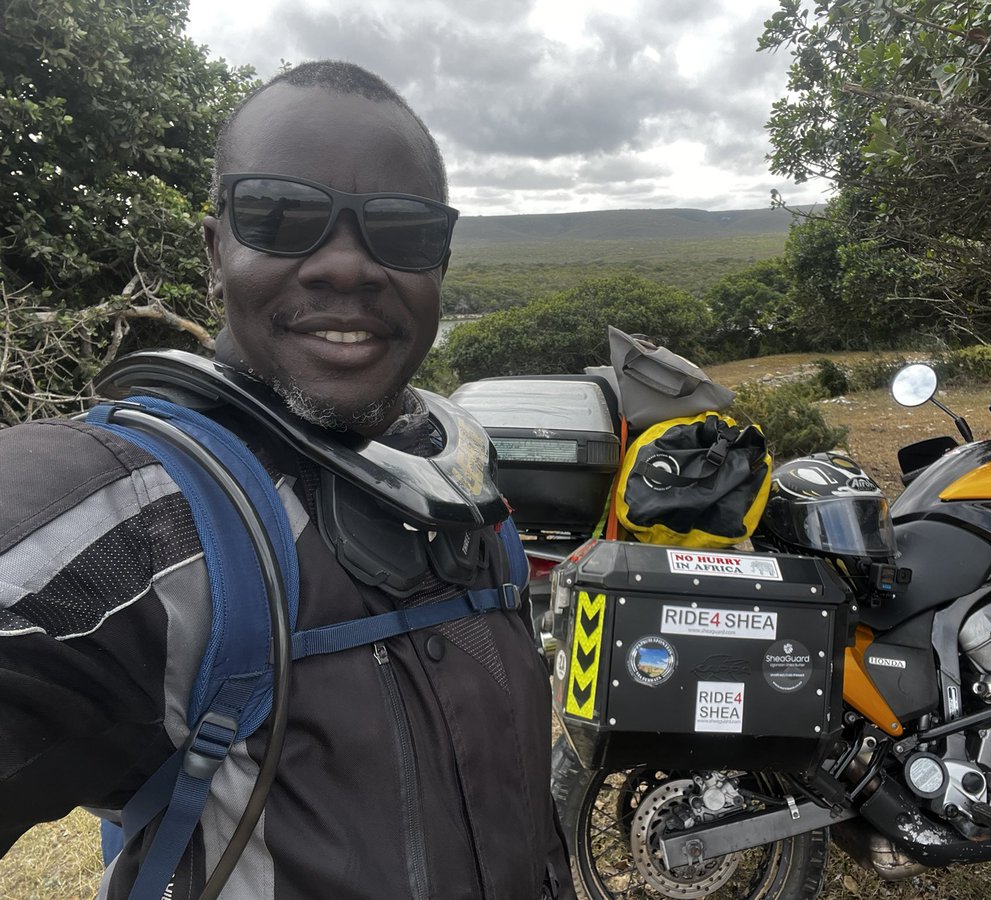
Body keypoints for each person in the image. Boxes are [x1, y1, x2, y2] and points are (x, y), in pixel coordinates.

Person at [0, 60, 572, 899]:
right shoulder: (137, 514)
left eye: (403, 230)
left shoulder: (460, 492)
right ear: (215, 247)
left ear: (440, 261)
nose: (347, 267)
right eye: (281, 216)